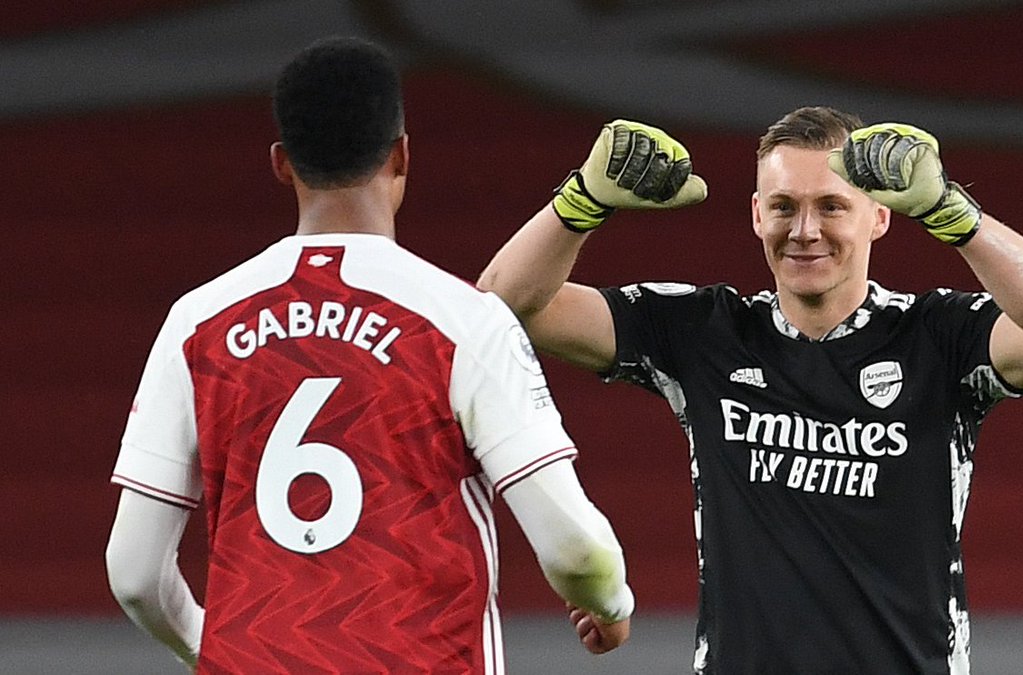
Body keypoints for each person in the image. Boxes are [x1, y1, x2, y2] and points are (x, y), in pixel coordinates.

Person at [476, 110, 1023, 673]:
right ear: (756, 214)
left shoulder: (937, 337)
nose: (804, 230)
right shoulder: (705, 333)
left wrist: (951, 213)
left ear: (879, 216)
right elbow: (499, 308)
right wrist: (579, 203)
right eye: (783, 206)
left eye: (831, 207)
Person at [105, 36, 635, 674]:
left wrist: (209, 649)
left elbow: (134, 573)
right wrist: (610, 602)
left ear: (282, 164)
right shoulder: (461, 320)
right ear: (402, 154)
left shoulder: (198, 323)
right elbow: (576, 552)